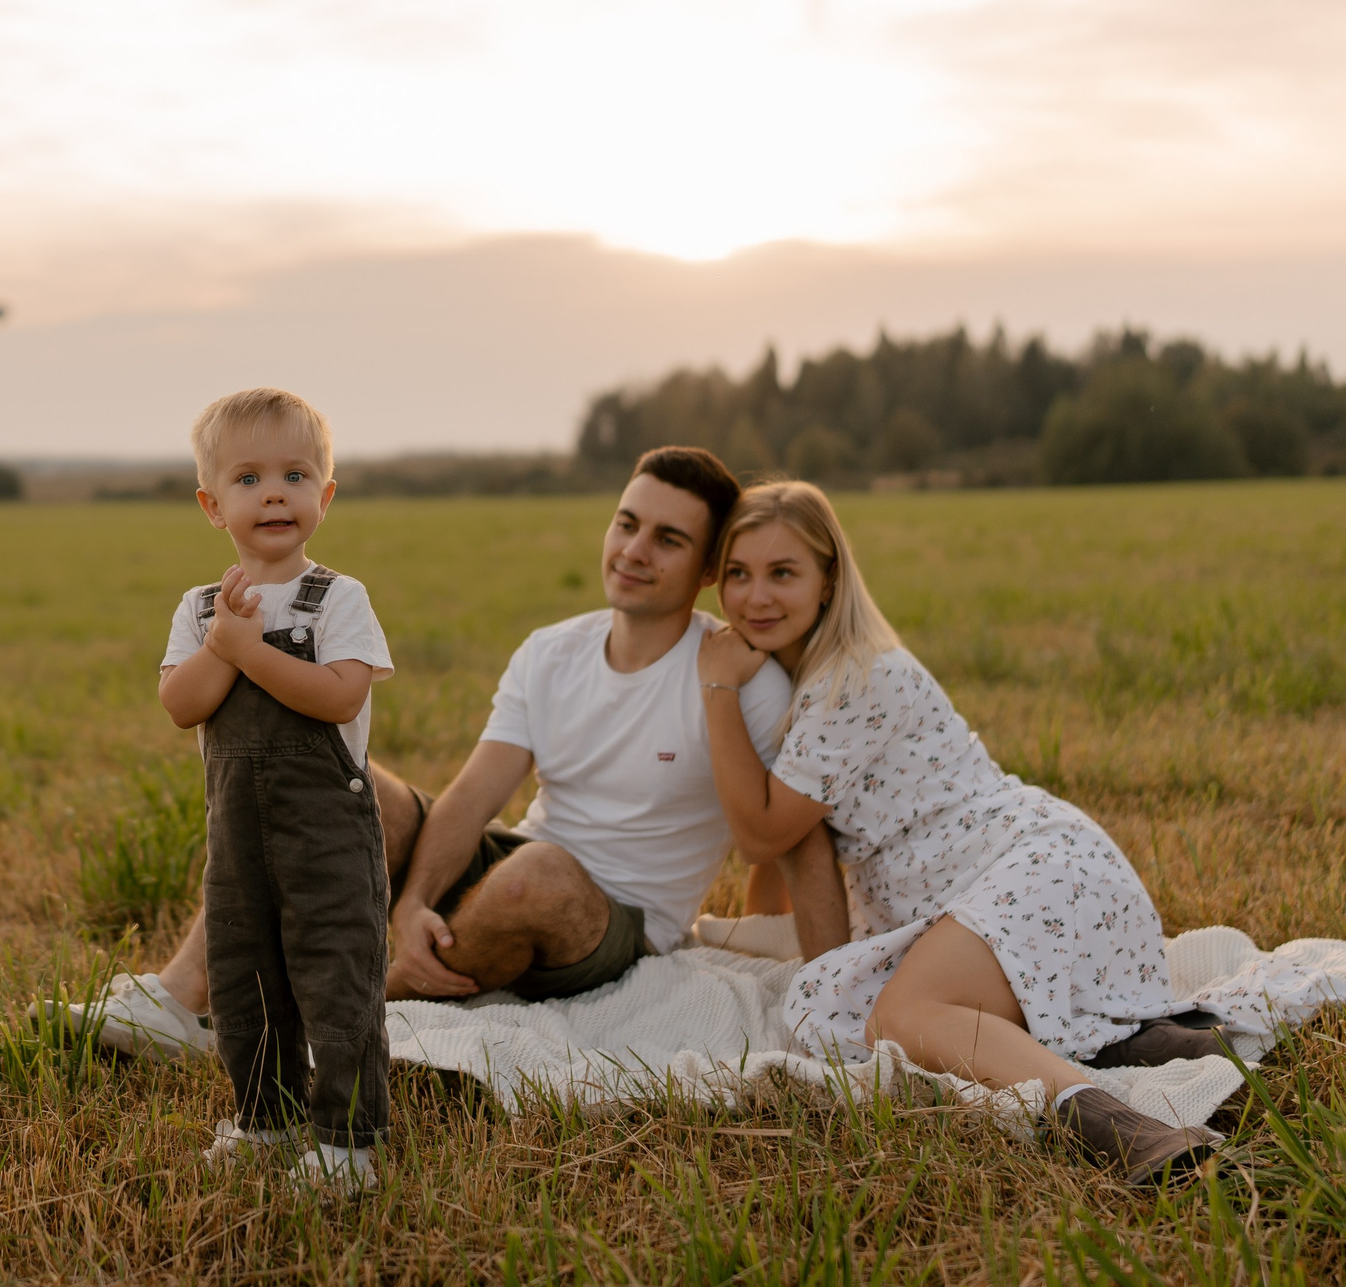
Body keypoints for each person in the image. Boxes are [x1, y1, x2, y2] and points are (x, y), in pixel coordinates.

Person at [67, 447, 824, 1055]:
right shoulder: (552, 651)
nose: (634, 549)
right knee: (358, 784)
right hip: (520, 853)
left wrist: (809, 960)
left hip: (620, 920)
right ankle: (179, 997)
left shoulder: (738, 680)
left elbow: (787, 834)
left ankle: (315, 1009)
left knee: (535, 876)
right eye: (627, 523)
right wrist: (416, 901)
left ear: (709, 571)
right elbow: (470, 796)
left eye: (669, 538)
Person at [695, 480, 1231, 1187]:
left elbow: (763, 832)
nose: (755, 596)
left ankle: (1117, 1123)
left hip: (1034, 868)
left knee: (904, 1016)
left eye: (782, 572)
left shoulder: (851, 680)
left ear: (829, 580)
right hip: (1023, 876)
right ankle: (1127, 1037)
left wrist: (717, 688)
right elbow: (793, 848)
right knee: (877, 1005)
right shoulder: (817, 678)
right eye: (738, 573)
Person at [157, 388, 396, 1192]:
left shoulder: (338, 598)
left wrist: (250, 650)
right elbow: (181, 703)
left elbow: (340, 696)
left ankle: (348, 1136)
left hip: (327, 831)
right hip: (238, 836)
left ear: (324, 495)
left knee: (336, 972)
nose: (273, 493)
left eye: (296, 474)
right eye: (249, 477)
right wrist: (225, 643)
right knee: (244, 973)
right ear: (212, 504)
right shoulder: (200, 611)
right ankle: (265, 1115)